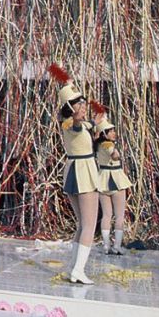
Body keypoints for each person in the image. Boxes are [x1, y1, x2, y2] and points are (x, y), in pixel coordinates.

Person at [48, 63, 98, 285]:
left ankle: (73, 269)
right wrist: (75, 111)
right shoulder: (70, 123)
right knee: (89, 224)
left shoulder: (79, 123)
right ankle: (78, 270)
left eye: (84, 103)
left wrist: (69, 84)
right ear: (71, 107)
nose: (84, 107)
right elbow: (76, 123)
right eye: (80, 104)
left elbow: (86, 123)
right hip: (82, 172)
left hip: (76, 170)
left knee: (82, 224)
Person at [92, 103, 132, 256]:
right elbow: (114, 155)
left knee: (107, 215)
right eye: (111, 131)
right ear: (105, 133)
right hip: (115, 180)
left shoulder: (97, 145)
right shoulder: (108, 144)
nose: (114, 133)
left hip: (102, 180)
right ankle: (117, 246)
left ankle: (106, 245)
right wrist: (116, 154)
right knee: (119, 215)